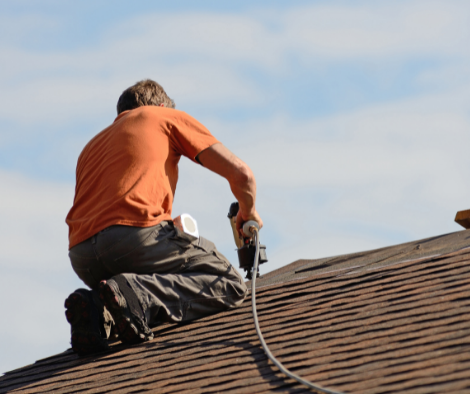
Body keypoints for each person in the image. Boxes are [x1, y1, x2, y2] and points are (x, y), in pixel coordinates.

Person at [64, 79, 263, 355]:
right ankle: (139, 296)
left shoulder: (91, 146)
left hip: (82, 256)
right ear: (160, 105)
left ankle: (98, 314)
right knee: (227, 282)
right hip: (133, 238)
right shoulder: (163, 117)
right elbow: (243, 175)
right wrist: (248, 211)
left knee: (123, 293)